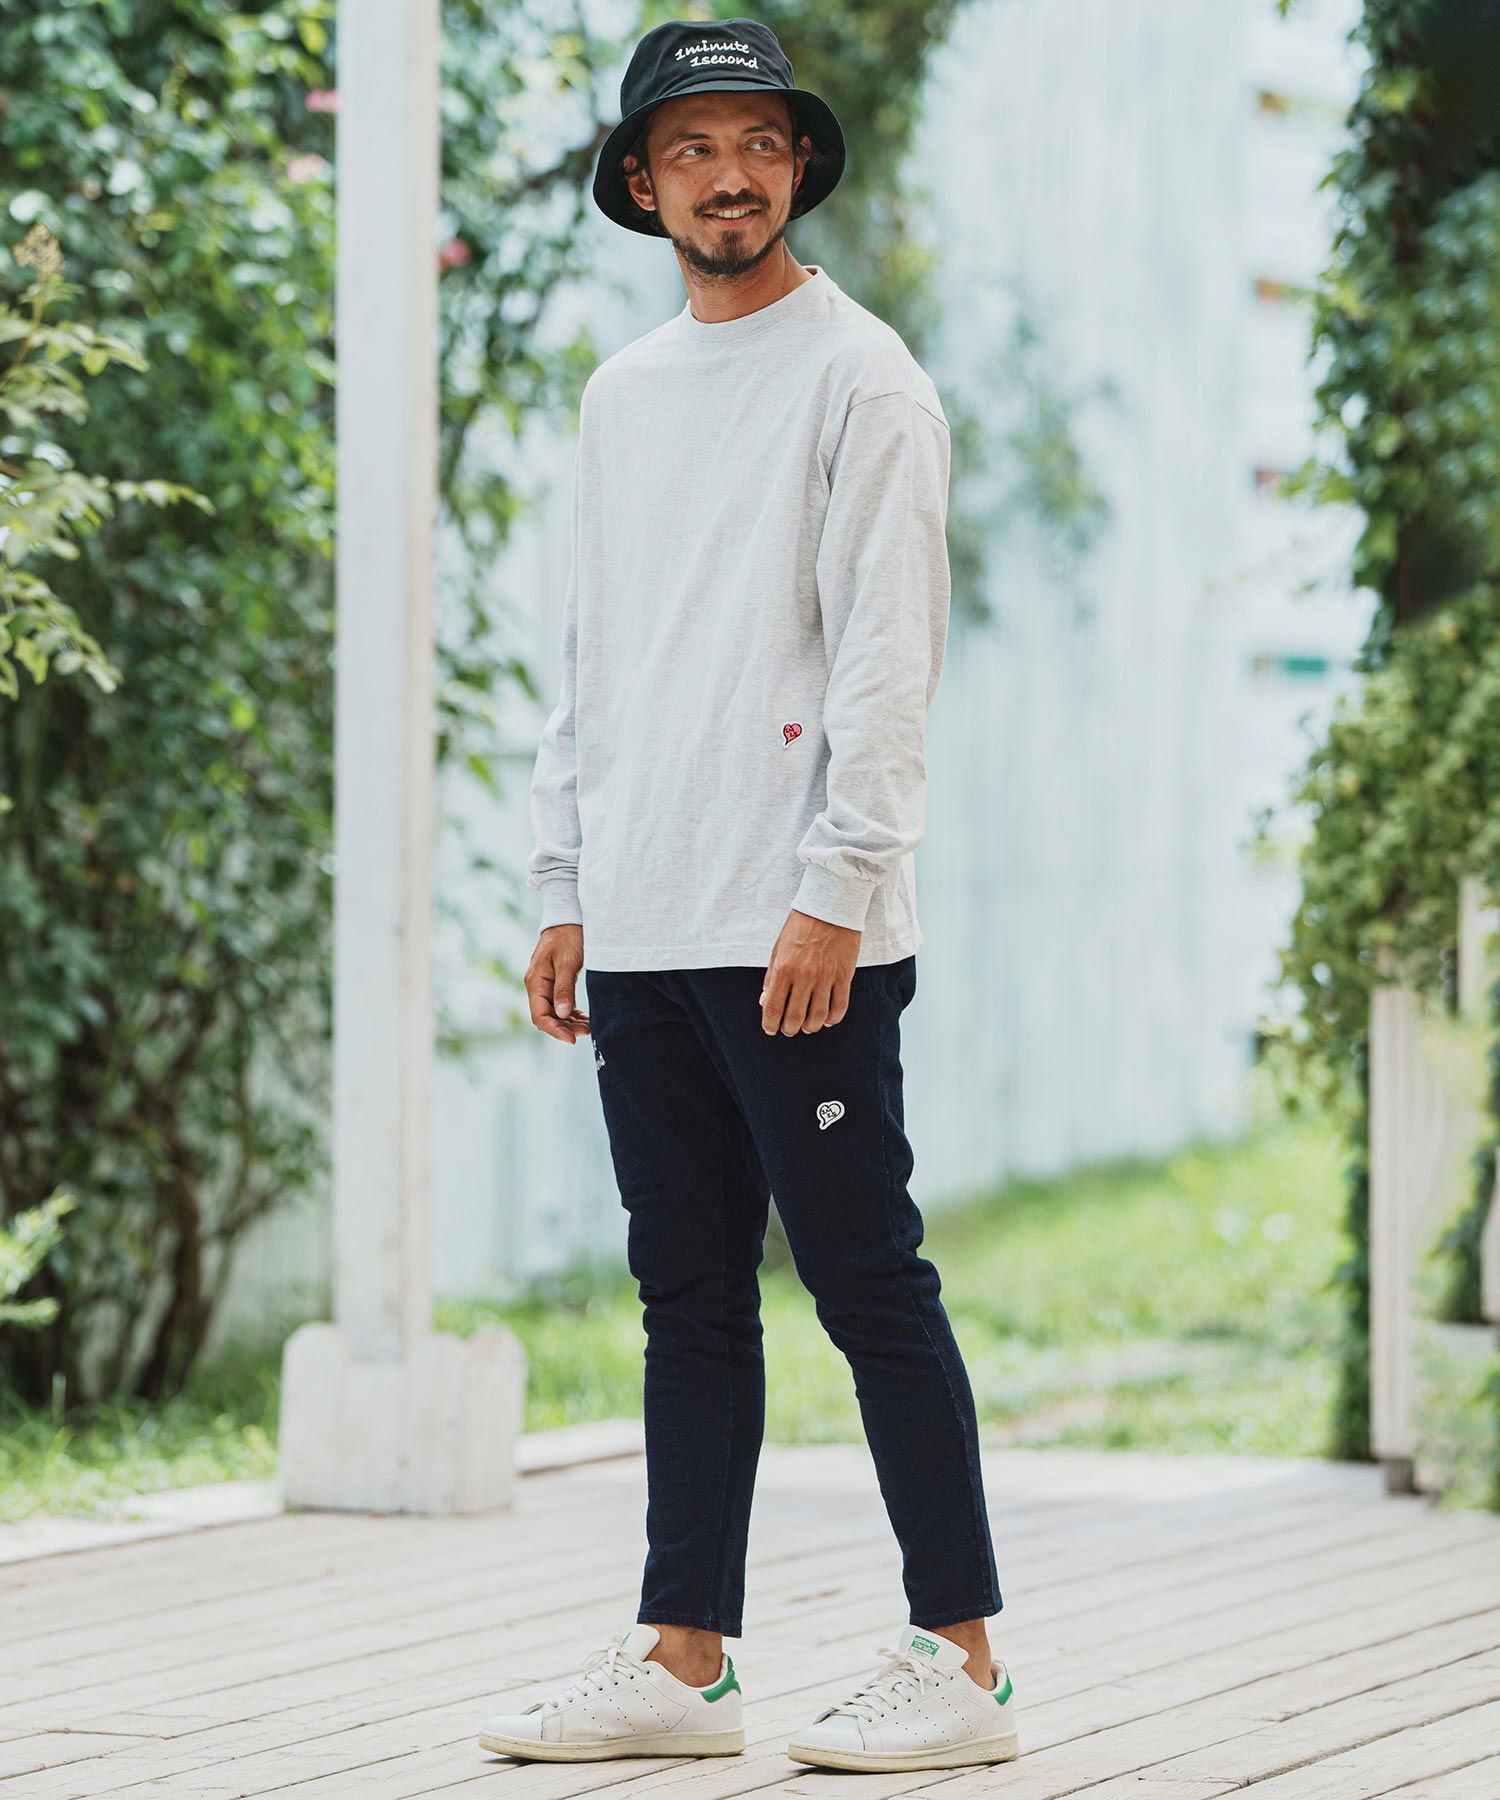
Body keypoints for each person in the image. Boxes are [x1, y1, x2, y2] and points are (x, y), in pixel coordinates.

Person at [477, 16, 1018, 1777]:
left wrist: (839, 887)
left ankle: (964, 1664)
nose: (732, 175)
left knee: (867, 1283)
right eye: (695, 148)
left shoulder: (866, 381)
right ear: (644, 185)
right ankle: (685, 1662)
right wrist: (565, 885)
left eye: (760, 144)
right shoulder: (624, 394)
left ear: (796, 171)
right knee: (688, 1298)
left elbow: (886, 655)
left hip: (799, 930)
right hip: (644, 921)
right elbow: (595, 652)